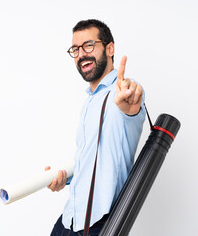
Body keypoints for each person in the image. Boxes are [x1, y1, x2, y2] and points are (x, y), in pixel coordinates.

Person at [46, 19, 145, 236]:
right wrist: (65, 177)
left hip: (97, 224)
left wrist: (129, 104)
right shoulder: (90, 100)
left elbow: (130, 108)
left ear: (110, 48)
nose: (81, 54)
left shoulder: (122, 94)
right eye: (75, 49)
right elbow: (91, 158)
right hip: (69, 219)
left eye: (88, 45)